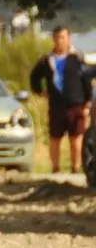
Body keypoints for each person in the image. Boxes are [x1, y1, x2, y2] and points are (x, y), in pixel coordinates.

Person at [30, 27, 93, 174]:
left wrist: (88, 102)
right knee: (55, 137)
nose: (60, 41)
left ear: (69, 38)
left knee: (76, 138)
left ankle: (75, 168)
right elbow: (34, 77)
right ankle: (55, 168)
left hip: (76, 104)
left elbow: (87, 79)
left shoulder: (77, 58)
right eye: (57, 37)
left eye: (63, 37)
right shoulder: (47, 60)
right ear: (53, 39)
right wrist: (40, 90)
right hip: (57, 105)